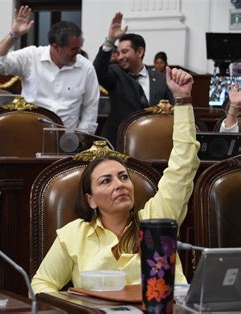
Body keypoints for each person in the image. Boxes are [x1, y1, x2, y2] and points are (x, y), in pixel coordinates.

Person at [31, 67, 200, 294]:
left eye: (123, 177)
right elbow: (41, 285)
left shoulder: (157, 218)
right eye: (105, 181)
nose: (119, 184)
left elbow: (184, 163)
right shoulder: (74, 235)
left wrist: (182, 100)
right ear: (90, 200)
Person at [0, 6, 100, 133]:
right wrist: (14, 35)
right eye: (73, 49)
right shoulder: (31, 57)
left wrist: (80, 137)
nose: (79, 52)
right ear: (56, 47)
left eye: (79, 47)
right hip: (30, 135)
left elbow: (90, 108)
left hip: (66, 141)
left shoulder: (86, 68)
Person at [94, 12, 174, 146]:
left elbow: (171, 113)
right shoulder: (115, 73)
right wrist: (110, 40)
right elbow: (98, 72)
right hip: (119, 143)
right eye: (118, 53)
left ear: (140, 52)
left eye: (125, 52)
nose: (119, 57)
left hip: (152, 143)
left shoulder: (161, 80)